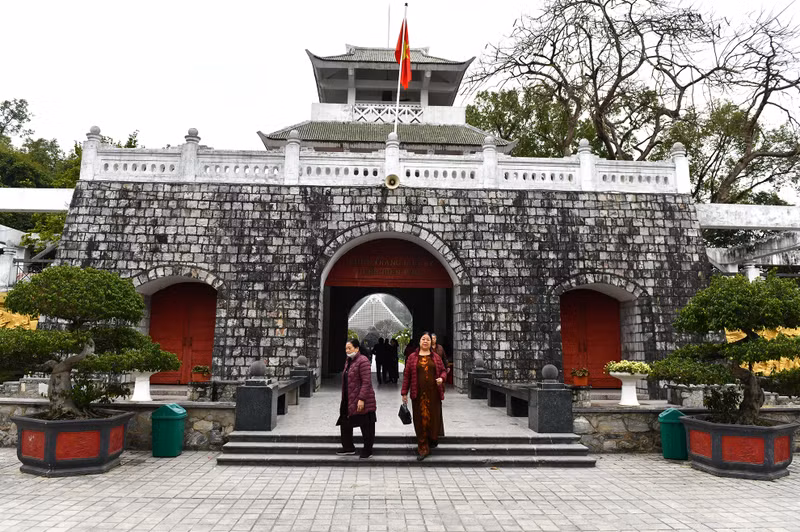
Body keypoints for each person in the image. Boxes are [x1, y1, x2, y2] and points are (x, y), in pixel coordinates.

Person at [401, 332, 447, 461]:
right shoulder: (412, 358)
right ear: (419, 342)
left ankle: (432, 438)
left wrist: (441, 379)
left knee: (433, 418)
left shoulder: (436, 357)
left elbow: (443, 370)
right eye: (423, 339)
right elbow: (407, 376)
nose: (425, 341)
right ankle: (422, 447)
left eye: (427, 339)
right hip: (418, 395)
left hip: (434, 395)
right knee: (420, 420)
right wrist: (404, 392)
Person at [336, 338, 377, 459]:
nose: (347, 351)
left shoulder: (362, 361)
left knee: (366, 424)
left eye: (350, 348)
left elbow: (366, 382)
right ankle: (348, 447)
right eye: (346, 349)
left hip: (362, 398)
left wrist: (361, 398)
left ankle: (368, 450)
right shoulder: (348, 361)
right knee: (345, 421)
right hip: (348, 397)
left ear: (357, 348)